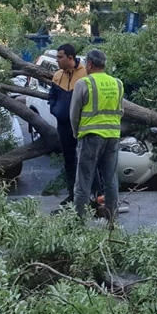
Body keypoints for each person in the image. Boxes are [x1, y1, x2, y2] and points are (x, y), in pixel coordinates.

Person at [69, 49, 124, 223]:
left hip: (90, 136)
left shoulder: (83, 83)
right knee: (111, 180)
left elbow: (74, 113)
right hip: (113, 135)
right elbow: (120, 110)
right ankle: (112, 220)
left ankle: (79, 223)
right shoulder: (117, 83)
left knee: (83, 181)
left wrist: (75, 132)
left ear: (90, 64)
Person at [47, 44, 88, 206]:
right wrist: (55, 110)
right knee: (69, 161)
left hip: (82, 126)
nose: (57, 60)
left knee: (86, 161)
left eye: (60, 57)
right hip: (64, 126)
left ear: (70, 58)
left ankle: (91, 197)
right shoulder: (57, 76)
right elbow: (52, 97)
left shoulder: (86, 74)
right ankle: (72, 195)